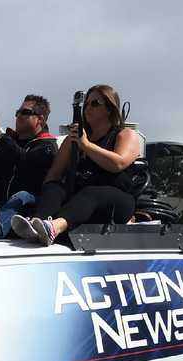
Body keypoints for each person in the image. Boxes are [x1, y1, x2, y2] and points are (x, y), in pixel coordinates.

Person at [12, 84, 141, 246]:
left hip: (116, 201)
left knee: (92, 192)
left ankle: (55, 227)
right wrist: (51, 194)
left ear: (109, 109)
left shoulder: (126, 135)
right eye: (86, 103)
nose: (88, 107)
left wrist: (86, 145)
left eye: (95, 103)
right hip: (80, 202)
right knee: (54, 186)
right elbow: (54, 174)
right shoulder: (71, 140)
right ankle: (37, 224)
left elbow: (118, 163)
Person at [0, 96, 58, 239]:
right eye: (17, 112)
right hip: (0, 207)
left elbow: (27, 163)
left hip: (30, 209)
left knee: (22, 195)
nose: (18, 116)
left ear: (40, 119)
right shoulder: (10, 141)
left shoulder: (47, 145)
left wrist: (0, 134)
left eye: (25, 112)